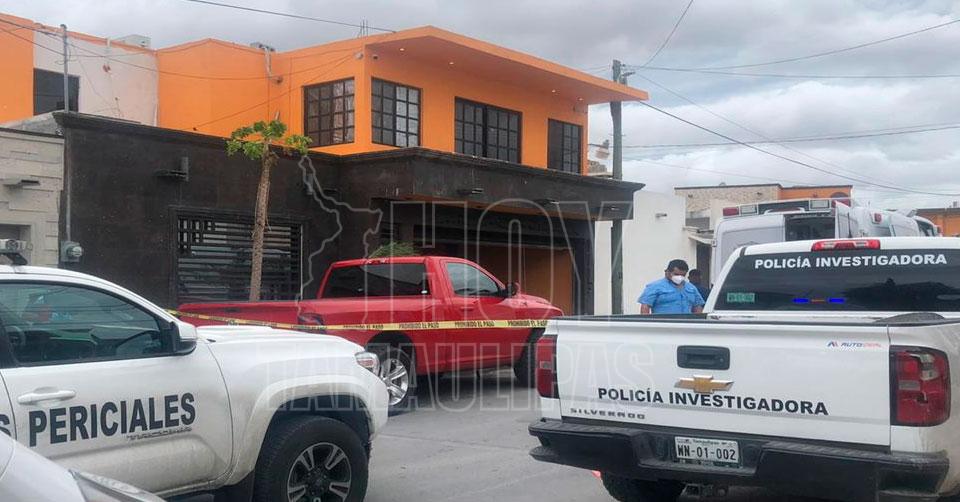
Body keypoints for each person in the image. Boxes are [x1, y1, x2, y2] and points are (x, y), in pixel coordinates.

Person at [638, 259, 705, 314]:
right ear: (667, 272)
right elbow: (645, 307)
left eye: (683, 275)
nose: (679, 277)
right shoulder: (655, 287)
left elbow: (697, 308)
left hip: (687, 324)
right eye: (676, 274)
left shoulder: (691, 288)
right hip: (664, 324)